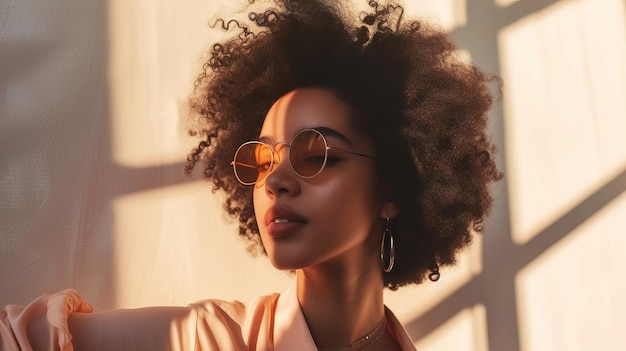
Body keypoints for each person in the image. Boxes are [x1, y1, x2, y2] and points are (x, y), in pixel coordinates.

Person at [0, 0, 502, 350]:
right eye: (261, 161)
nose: (275, 181)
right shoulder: (205, 339)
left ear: (391, 188)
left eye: (315, 155)